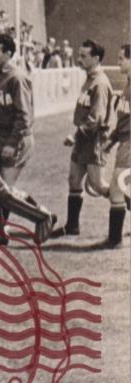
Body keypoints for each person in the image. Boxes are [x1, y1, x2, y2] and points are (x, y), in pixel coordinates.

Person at [0, 33, 37, 243]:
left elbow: (24, 116)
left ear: (8, 53)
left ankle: (39, 215)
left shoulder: (17, 78)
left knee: (2, 191)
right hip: (1, 137)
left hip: (17, 139)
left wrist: (12, 143)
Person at [54, 39, 113, 239]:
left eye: (83, 56)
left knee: (98, 185)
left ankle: (125, 203)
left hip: (94, 140)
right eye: (79, 55)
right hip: (82, 140)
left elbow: (96, 119)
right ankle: (72, 226)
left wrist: (75, 134)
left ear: (96, 59)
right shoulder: (89, 79)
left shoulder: (100, 83)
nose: (79, 59)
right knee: (74, 180)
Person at [103, 45, 130, 249]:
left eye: (122, 58)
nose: (119, 62)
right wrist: (112, 139)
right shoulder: (128, 85)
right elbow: (123, 121)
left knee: (117, 188)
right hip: (124, 142)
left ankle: (115, 240)